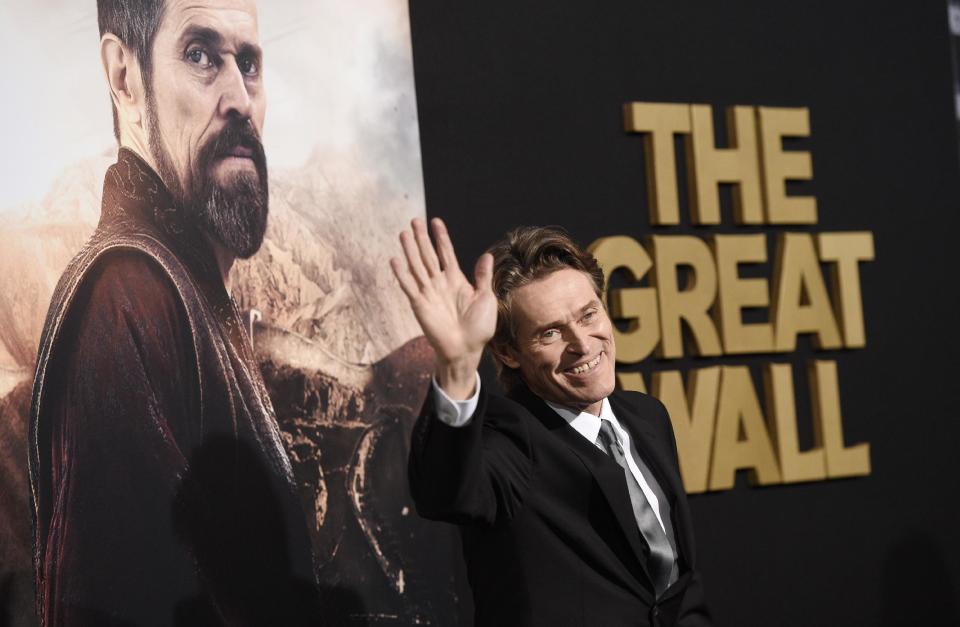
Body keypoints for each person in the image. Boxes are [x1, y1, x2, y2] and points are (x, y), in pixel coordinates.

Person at [28, 1, 319, 624]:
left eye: (249, 63)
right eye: (200, 56)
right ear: (125, 77)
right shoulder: (126, 295)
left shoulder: (183, 291)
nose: (240, 98)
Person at [391, 218, 712, 626]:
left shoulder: (648, 417)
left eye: (589, 315)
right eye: (550, 334)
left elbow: (672, 586)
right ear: (508, 352)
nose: (581, 343)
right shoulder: (509, 440)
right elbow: (445, 492)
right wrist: (457, 364)